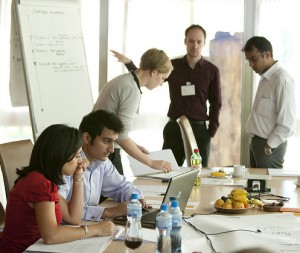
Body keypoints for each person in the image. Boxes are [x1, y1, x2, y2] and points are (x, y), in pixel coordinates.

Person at [111, 24, 222, 167]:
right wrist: (129, 63)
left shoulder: (212, 71)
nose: (194, 45)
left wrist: (210, 131)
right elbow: (146, 75)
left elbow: (216, 102)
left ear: (204, 43)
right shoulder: (172, 66)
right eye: (191, 41)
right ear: (185, 41)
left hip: (199, 131)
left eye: (199, 42)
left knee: (198, 173)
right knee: (167, 170)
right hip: (174, 128)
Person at [0, 124, 115, 253]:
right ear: (61, 155)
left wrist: (78, 177)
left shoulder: (43, 179)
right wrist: (96, 229)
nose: (81, 160)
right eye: (77, 155)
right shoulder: (40, 184)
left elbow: (74, 218)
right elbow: (51, 236)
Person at [93, 48, 173, 175]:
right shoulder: (131, 89)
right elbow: (122, 136)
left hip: (100, 147)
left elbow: (119, 131)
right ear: (154, 72)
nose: (162, 83)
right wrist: (151, 162)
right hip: (104, 151)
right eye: (163, 78)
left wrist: (136, 147)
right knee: (119, 193)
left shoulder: (126, 80)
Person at [59, 110, 147, 221]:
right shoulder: (68, 164)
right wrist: (110, 211)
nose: (112, 149)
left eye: (114, 142)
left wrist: (135, 199)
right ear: (86, 138)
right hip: (68, 229)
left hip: (87, 224)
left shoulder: (102, 162)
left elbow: (121, 187)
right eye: (106, 141)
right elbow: (62, 209)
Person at [242, 36, 296, 168]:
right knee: (256, 187)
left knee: (270, 187)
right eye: (248, 60)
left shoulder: (282, 80)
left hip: (269, 147)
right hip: (257, 143)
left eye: (254, 59)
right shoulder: (265, 78)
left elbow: (287, 122)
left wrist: (269, 146)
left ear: (267, 54)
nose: (251, 65)